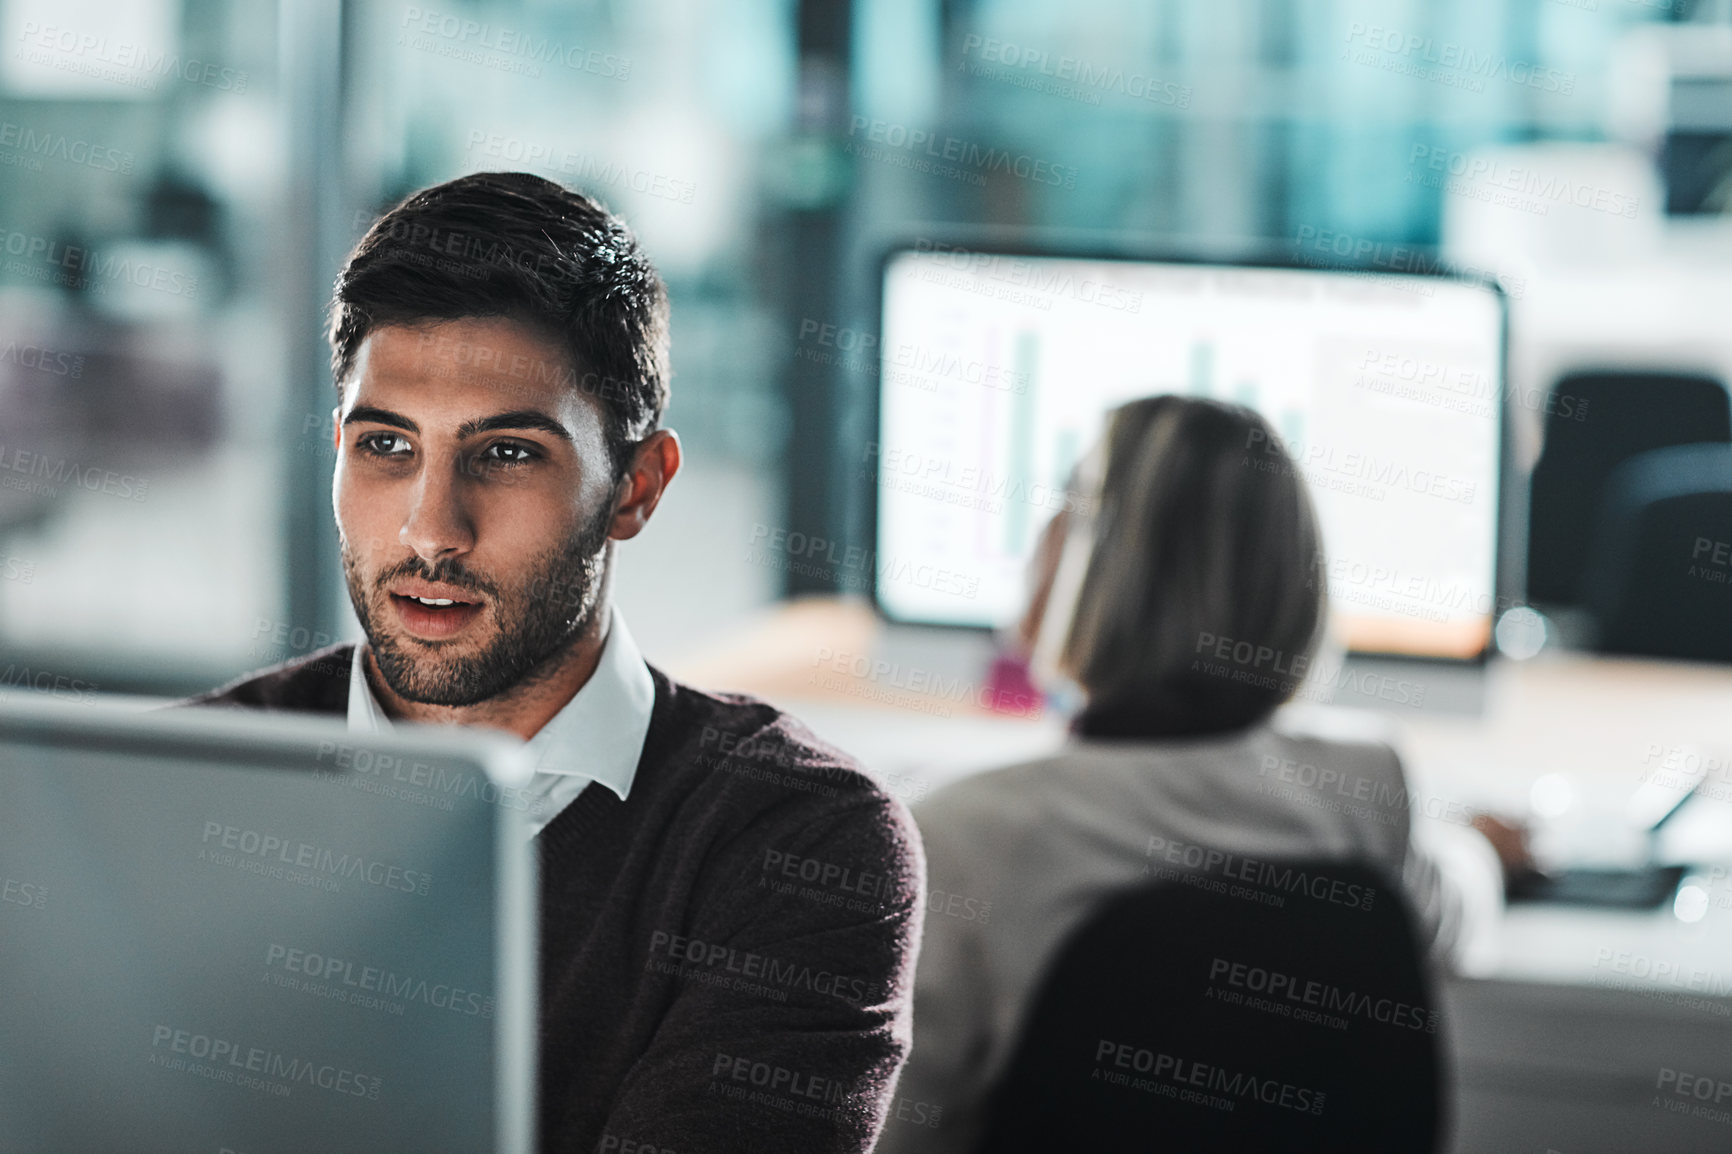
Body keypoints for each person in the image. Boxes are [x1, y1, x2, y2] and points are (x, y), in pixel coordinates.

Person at [185, 173, 924, 1154]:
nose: (429, 529)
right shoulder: (192, 780)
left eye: (507, 454)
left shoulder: (796, 843)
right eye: (386, 445)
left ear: (636, 486)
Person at [878, 395, 1512, 1154]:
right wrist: (1476, 850)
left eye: (1069, 503)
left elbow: (893, 1127)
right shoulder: (1366, 783)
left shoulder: (966, 832)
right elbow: (1452, 920)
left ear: (1095, 563)